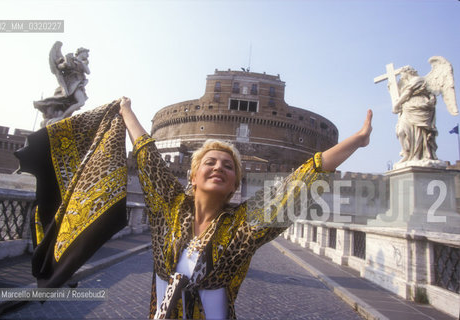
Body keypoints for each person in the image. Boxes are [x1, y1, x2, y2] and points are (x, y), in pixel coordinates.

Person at [119, 96, 372, 319]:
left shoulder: (241, 225)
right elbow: (147, 155)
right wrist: (127, 110)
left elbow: (298, 185)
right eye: (210, 162)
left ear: (234, 185)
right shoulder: (168, 208)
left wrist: (358, 140)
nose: (219, 167)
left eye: (228, 166)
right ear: (193, 177)